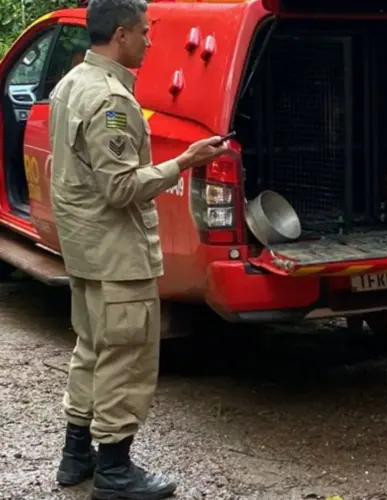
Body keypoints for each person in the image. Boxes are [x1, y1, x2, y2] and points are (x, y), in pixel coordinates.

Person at [48, 0, 229, 497]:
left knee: (91, 349)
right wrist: (185, 161)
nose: (150, 42)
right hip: (117, 254)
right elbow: (121, 188)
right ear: (122, 35)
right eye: (146, 33)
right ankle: (114, 470)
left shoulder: (69, 85)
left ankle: (75, 457)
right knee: (125, 358)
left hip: (86, 250)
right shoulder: (111, 100)